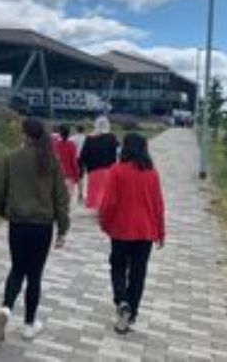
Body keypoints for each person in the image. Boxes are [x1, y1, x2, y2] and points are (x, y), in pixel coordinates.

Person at [0, 118, 69, 342]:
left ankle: (6, 308)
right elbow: (61, 197)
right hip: (42, 226)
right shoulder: (52, 160)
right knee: (35, 275)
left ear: (25, 135)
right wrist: (62, 229)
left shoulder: (12, 158)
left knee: (17, 269)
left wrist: (4, 212)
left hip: (18, 224)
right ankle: (29, 325)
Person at [99, 133, 165, 335]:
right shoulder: (152, 174)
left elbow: (108, 203)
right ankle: (131, 314)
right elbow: (158, 205)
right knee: (138, 273)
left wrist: (105, 223)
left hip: (121, 229)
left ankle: (121, 300)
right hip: (145, 231)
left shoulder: (117, 171)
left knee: (118, 266)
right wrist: (160, 231)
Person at [79, 116, 118, 210]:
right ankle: (104, 209)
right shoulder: (112, 137)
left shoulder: (89, 138)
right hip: (108, 170)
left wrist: (83, 167)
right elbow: (116, 153)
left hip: (93, 170)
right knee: (105, 192)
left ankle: (93, 209)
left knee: (94, 192)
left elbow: (83, 155)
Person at [54, 123, 80, 200]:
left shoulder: (56, 145)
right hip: (69, 176)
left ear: (60, 133)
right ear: (68, 133)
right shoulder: (72, 145)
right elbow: (74, 162)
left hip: (58, 176)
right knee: (68, 198)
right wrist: (77, 176)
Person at [70, 124, 87, 202]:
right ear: (83, 130)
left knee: (72, 176)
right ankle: (80, 194)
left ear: (77, 130)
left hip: (73, 158)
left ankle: (71, 193)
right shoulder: (86, 138)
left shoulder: (72, 138)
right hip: (82, 159)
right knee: (81, 177)